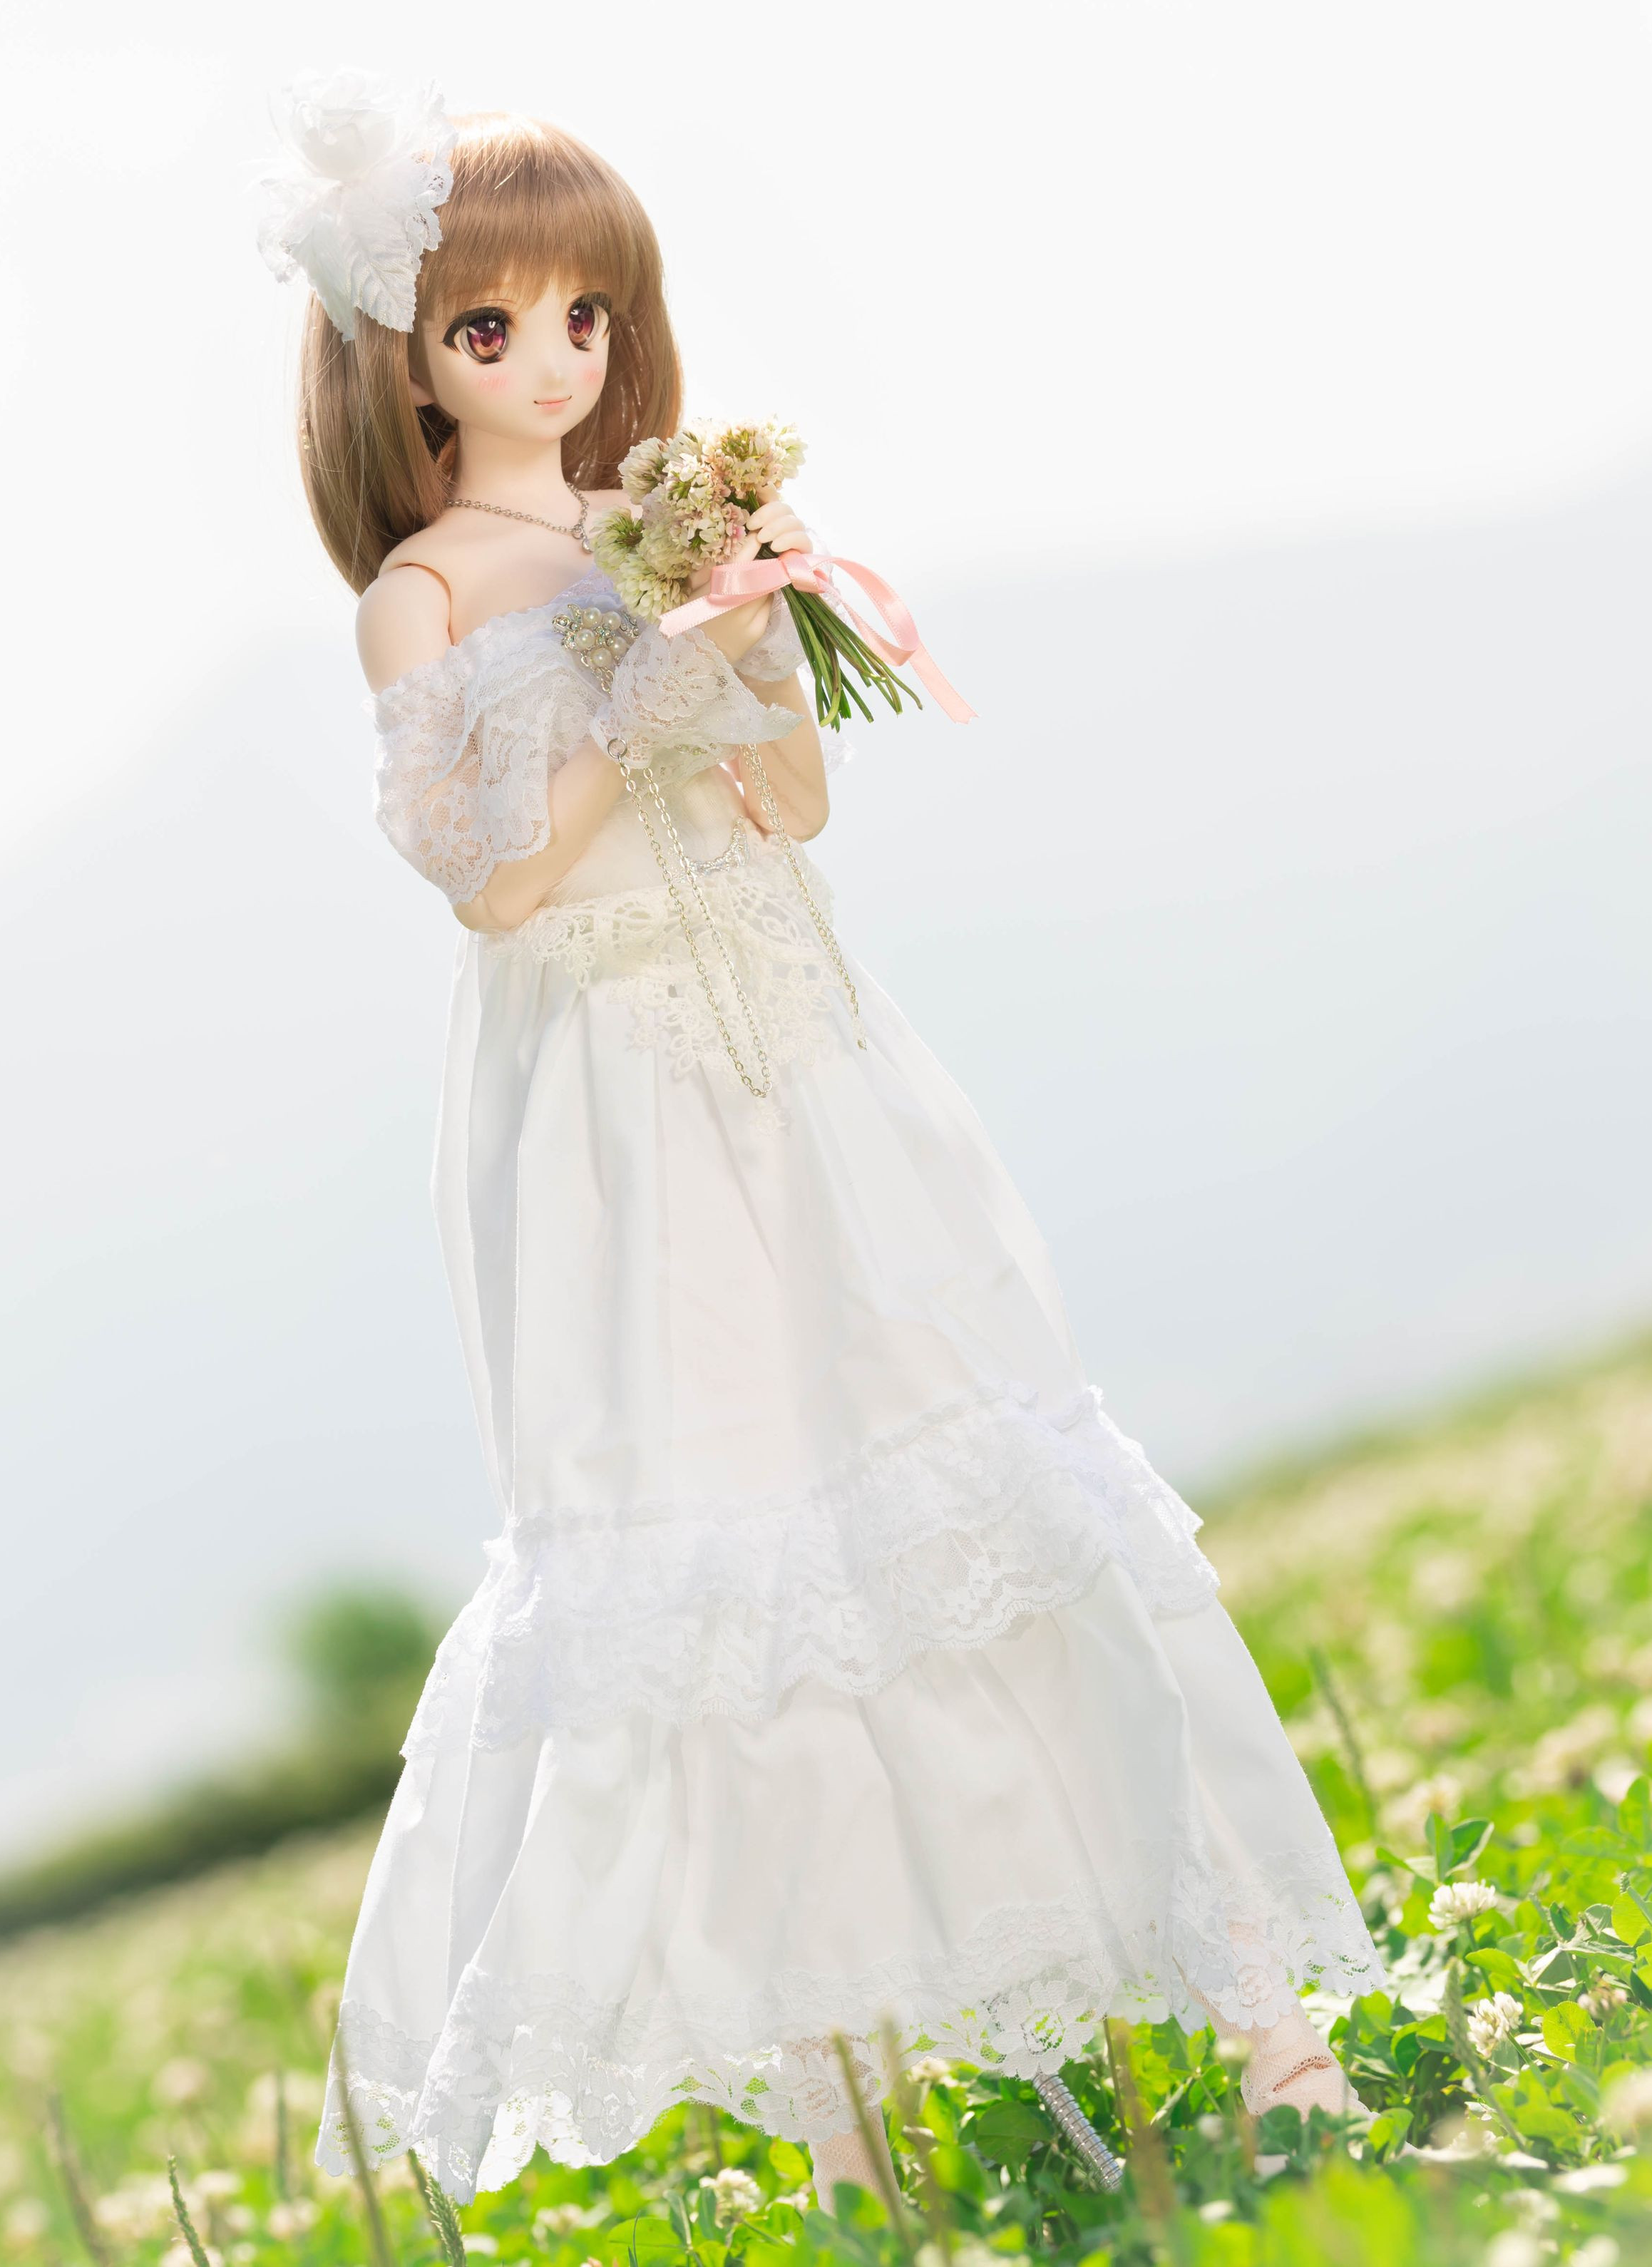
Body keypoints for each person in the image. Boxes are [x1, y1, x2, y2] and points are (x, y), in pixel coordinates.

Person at [256, 75, 1385, 2213]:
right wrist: (627, 688)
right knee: (714, 1559)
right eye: (490, 327)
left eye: (583, 315)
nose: (551, 361)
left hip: (812, 1065)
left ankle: (1265, 2026)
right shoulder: (422, 591)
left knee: (972, 1475)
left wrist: (747, 637)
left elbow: (795, 801)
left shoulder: (658, 522)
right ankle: (854, 2131)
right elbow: (490, 879)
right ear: (402, 361)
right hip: (613, 1106)